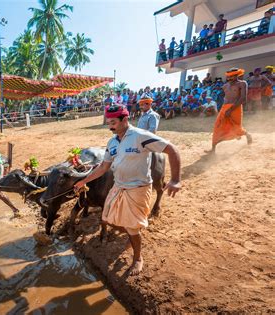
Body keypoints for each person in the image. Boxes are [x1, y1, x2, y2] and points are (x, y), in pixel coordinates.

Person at [74, 106, 181, 275]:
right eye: (108, 123)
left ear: (125, 120)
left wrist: (175, 179)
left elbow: (171, 149)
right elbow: (103, 167)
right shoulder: (113, 142)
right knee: (107, 216)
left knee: (132, 227)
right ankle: (133, 233)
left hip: (138, 188)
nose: (110, 127)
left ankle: (138, 258)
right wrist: (83, 181)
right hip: (118, 187)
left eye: (113, 122)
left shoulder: (140, 136)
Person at [206, 68, 252, 154]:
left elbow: (243, 99)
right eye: (228, 76)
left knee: (236, 127)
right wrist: (224, 109)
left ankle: (246, 134)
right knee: (217, 126)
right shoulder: (225, 86)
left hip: (236, 107)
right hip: (224, 107)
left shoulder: (242, 83)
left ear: (236, 75)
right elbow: (225, 98)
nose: (229, 78)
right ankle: (213, 149)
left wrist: (230, 109)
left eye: (232, 76)